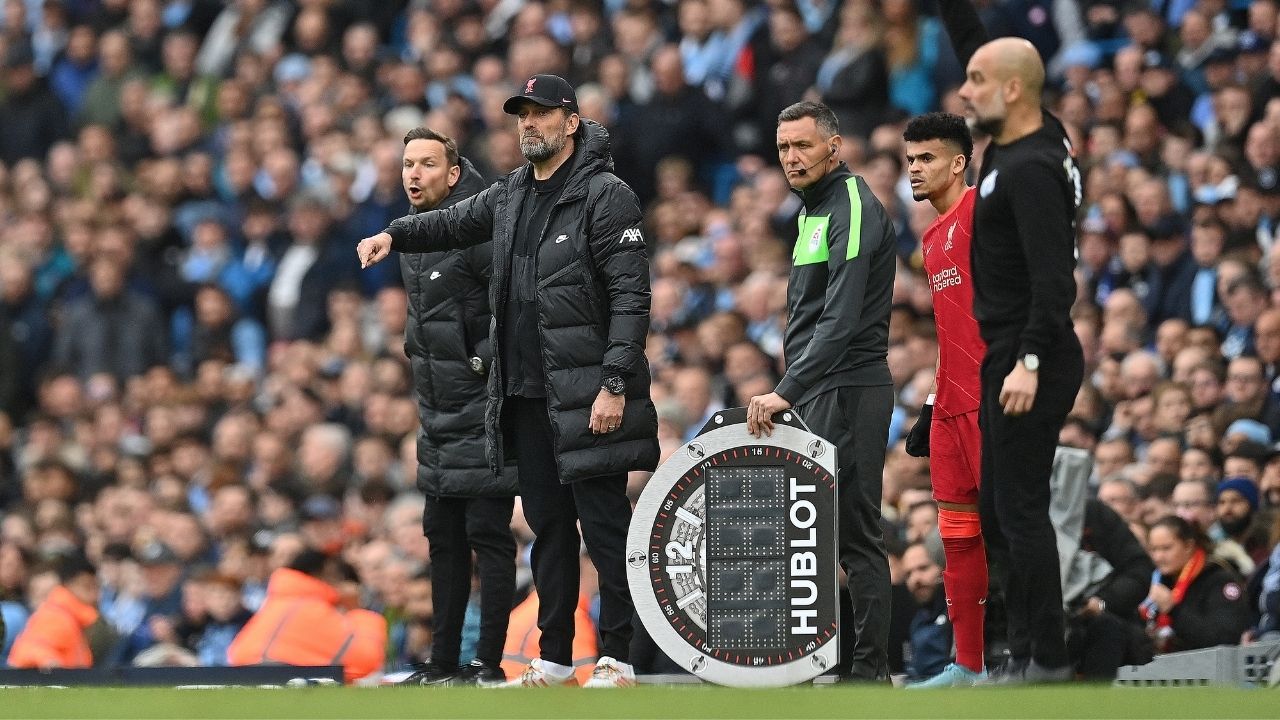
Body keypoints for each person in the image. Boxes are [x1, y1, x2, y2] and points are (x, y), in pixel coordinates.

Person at [356, 74, 659, 688]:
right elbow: (452, 222)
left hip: (584, 393)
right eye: (522, 114)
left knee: (604, 529)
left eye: (542, 114)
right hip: (523, 393)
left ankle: (620, 656)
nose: (529, 124)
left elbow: (632, 298)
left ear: (571, 122)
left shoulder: (607, 195)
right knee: (547, 528)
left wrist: (615, 383)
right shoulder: (514, 191)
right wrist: (395, 233)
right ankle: (552, 656)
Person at [939, 0, 1086, 683]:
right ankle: (1022, 653)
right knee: (1002, 511)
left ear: (1013, 91)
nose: (963, 91)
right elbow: (983, 44)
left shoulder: (1029, 168)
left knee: (1020, 512)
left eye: (974, 80)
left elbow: (1055, 284)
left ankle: (1046, 662)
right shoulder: (1027, 136)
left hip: (1033, 355)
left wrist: (1027, 361)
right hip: (1012, 356)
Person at [746, 100, 896, 682]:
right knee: (813, 533)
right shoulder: (811, 211)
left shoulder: (852, 203)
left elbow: (841, 316)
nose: (791, 157)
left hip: (849, 386)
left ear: (834, 146)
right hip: (816, 390)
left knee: (856, 535)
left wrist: (787, 389)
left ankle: (869, 673)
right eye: (783, 148)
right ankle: (815, 663)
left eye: (803, 145)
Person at [391, 126, 518, 688]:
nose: (414, 175)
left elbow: (512, 309)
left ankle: (487, 662)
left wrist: (478, 363)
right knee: (441, 540)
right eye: (407, 165)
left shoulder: (481, 227)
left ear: (454, 171)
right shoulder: (413, 238)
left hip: (484, 411)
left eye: (426, 164)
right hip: (437, 414)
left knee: (487, 537)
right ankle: (442, 662)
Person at [899, 111, 989, 688]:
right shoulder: (931, 239)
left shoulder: (984, 213)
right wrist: (934, 395)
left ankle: (1036, 653)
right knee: (957, 539)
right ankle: (969, 666)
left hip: (990, 399)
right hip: (950, 404)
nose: (914, 169)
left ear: (958, 161)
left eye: (926, 158)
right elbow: (950, 327)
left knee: (1008, 531)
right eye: (909, 159)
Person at [227, 549, 387, 683]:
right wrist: (357, 611)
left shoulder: (277, 602)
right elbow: (366, 662)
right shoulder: (313, 608)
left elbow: (236, 654)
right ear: (327, 573)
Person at [1141, 516, 1253, 653]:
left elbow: (1224, 639)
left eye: (1166, 548)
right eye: (1153, 550)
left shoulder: (1218, 580)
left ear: (1188, 546)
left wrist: (1173, 610)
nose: (1158, 557)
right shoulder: (1157, 582)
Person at [7, 554, 99, 669]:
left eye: (97, 588)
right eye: (87, 587)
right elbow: (30, 648)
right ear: (69, 585)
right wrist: (52, 668)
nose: (95, 596)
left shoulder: (72, 618)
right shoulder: (56, 617)